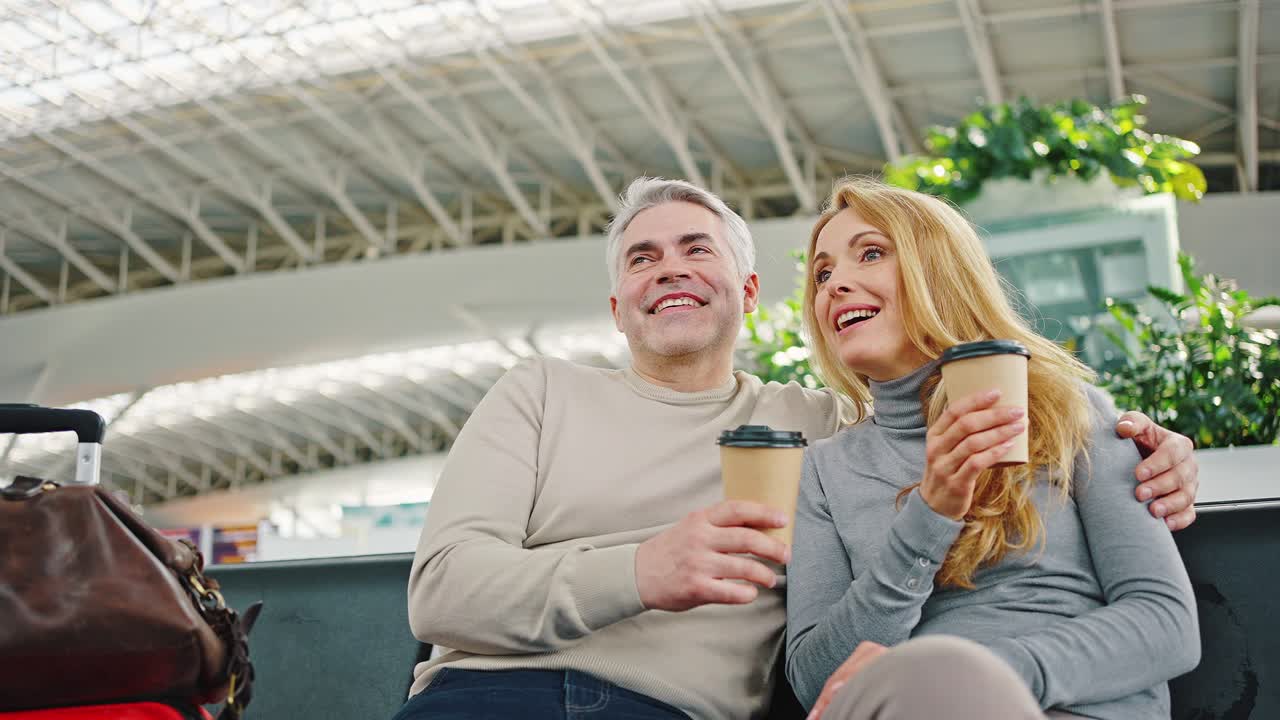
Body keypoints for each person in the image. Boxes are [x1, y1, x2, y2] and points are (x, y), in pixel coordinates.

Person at [391, 177, 1200, 720]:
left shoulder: (815, 427)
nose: (668, 268)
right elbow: (441, 592)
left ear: (746, 294)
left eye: (696, 248)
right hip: (485, 696)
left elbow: (1161, 614)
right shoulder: (542, 392)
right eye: (643, 257)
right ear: (617, 305)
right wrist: (642, 571)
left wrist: (1157, 451)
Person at [785, 177, 1200, 720]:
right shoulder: (824, 469)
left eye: (870, 253)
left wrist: (987, 673)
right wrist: (928, 518)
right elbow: (817, 681)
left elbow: (1167, 624)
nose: (836, 283)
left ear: (938, 270)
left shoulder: (1070, 410)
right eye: (822, 272)